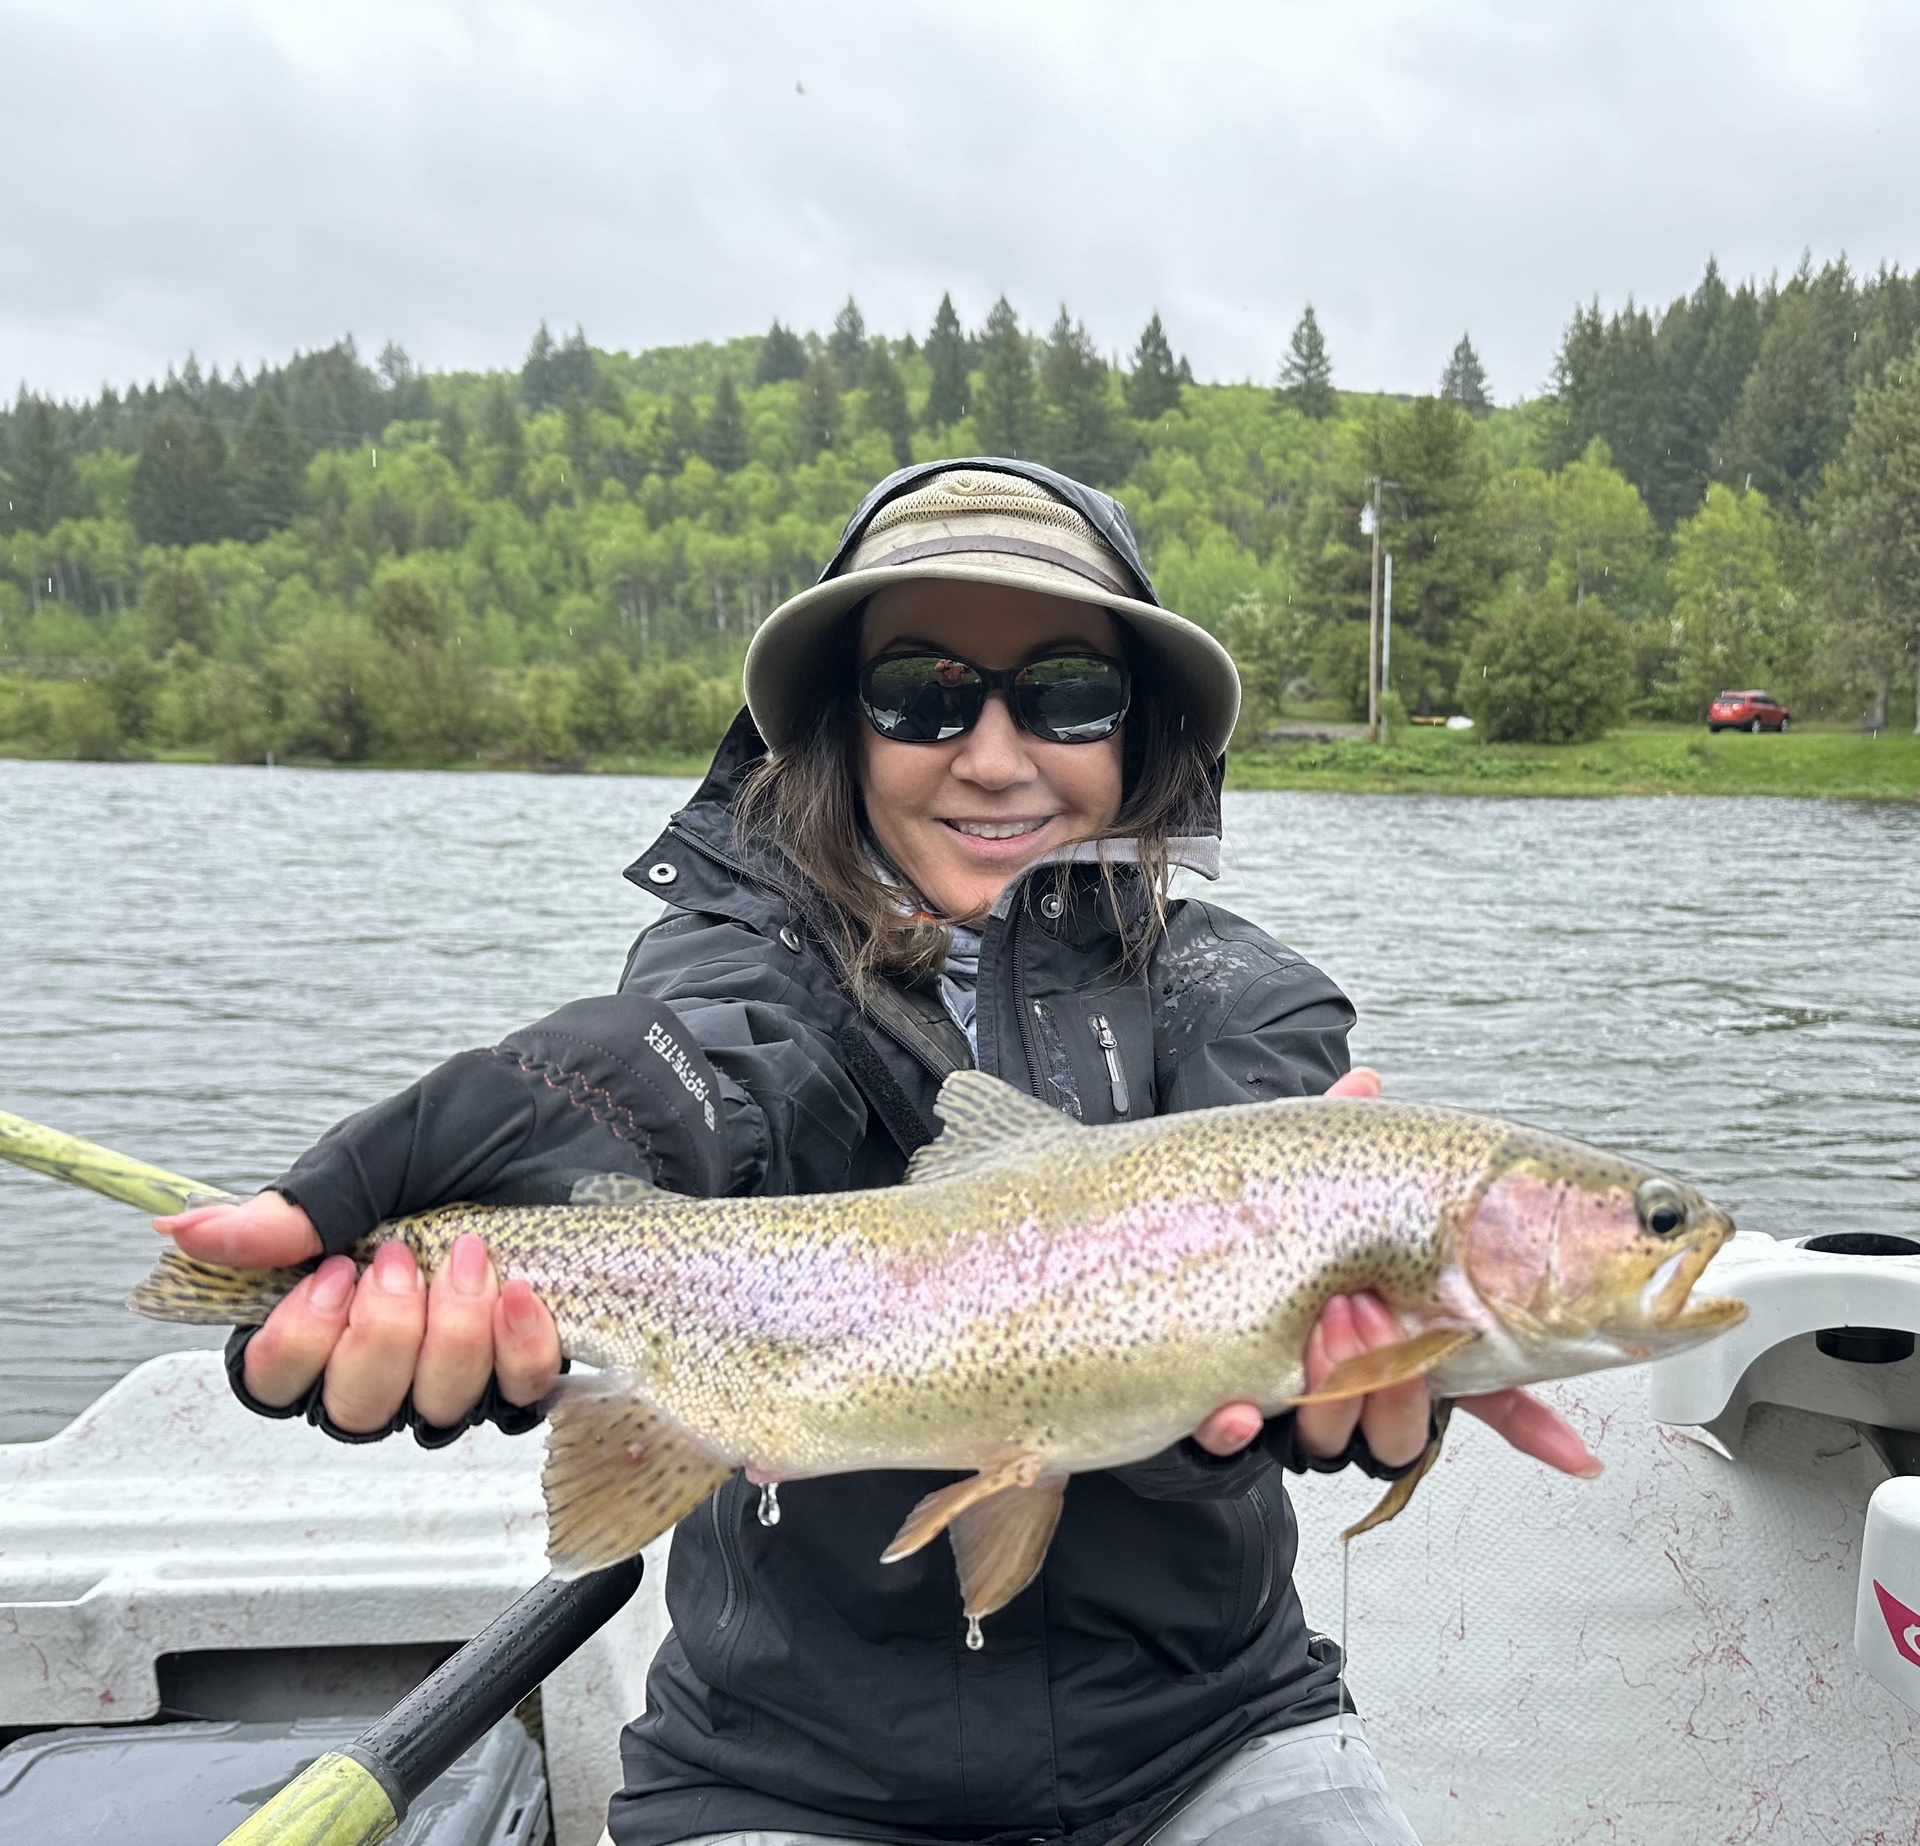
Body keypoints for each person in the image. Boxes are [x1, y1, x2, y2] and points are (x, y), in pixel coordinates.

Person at [157, 461, 1597, 1846]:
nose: (991, 752)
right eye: (922, 691)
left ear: (1140, 732)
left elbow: (1282, 1217)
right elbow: (721, 1053)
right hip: (776, 1766)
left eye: (1068, 694)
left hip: (1214, 1735)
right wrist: (611, 1103)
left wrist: (1294, 1382)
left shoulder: (1247, 997)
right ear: (842, 730)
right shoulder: (739, 965)